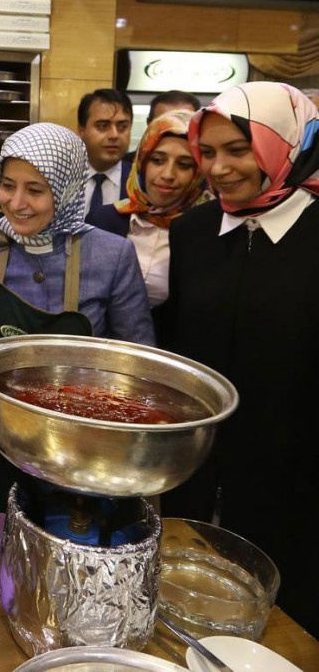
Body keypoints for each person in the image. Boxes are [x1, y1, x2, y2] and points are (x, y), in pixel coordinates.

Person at [160, 81, 319, 636]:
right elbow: (180, 343)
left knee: (284, 618)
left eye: (238, 149)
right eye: (209, 152)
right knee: (185, 601)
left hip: (293, 468)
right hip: (198, 468)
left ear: (285, 148)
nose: (219, 168)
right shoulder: (194, 232)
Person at [0, 123, 155, 528]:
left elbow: (139, 358)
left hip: (88, 443)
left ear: (64, 190)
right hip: (5, 435)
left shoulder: (112, 256)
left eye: (36, 190)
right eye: (8, 185)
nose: (17, 202)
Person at [89, 110, 213, 341]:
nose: (167, 174)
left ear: (199, 172)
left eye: (184, 164)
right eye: (157, 160)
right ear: (142, 161)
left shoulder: (207, 230)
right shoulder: (105, 220)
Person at [77, 89, 134, 217]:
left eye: (122, 127)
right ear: (81, 130)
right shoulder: (59, 180)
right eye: (103, 126)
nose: (114, 135)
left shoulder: (141, 184)